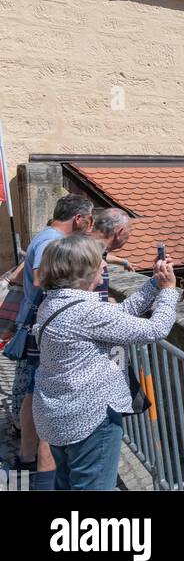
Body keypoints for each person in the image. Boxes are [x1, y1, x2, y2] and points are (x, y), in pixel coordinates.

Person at [33, 234, 178, 491]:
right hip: (90, 418)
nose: (104, 264)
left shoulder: (54, 303)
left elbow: (119, 314)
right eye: (98, 260)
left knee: (67, 485)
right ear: (82, 271)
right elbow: (155, 330)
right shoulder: (87, 312)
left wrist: (154, 283)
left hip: (58, 414)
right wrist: (168, 291)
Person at [11, 195, 94, 490]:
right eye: (90, 220)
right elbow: (39, 279)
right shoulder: (51, 241)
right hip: (46, 328)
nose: (91, 226)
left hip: (37, 326)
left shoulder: (45, 236)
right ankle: (39, 471)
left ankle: (25, 456)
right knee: (44, 399)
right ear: (79, 219)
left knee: (34, 394)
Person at [90, 208, 135, 300]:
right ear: (120, 232)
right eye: (129, 232)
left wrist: (124, 262)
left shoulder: (89, 248)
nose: (129, 237)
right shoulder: (87, 256)